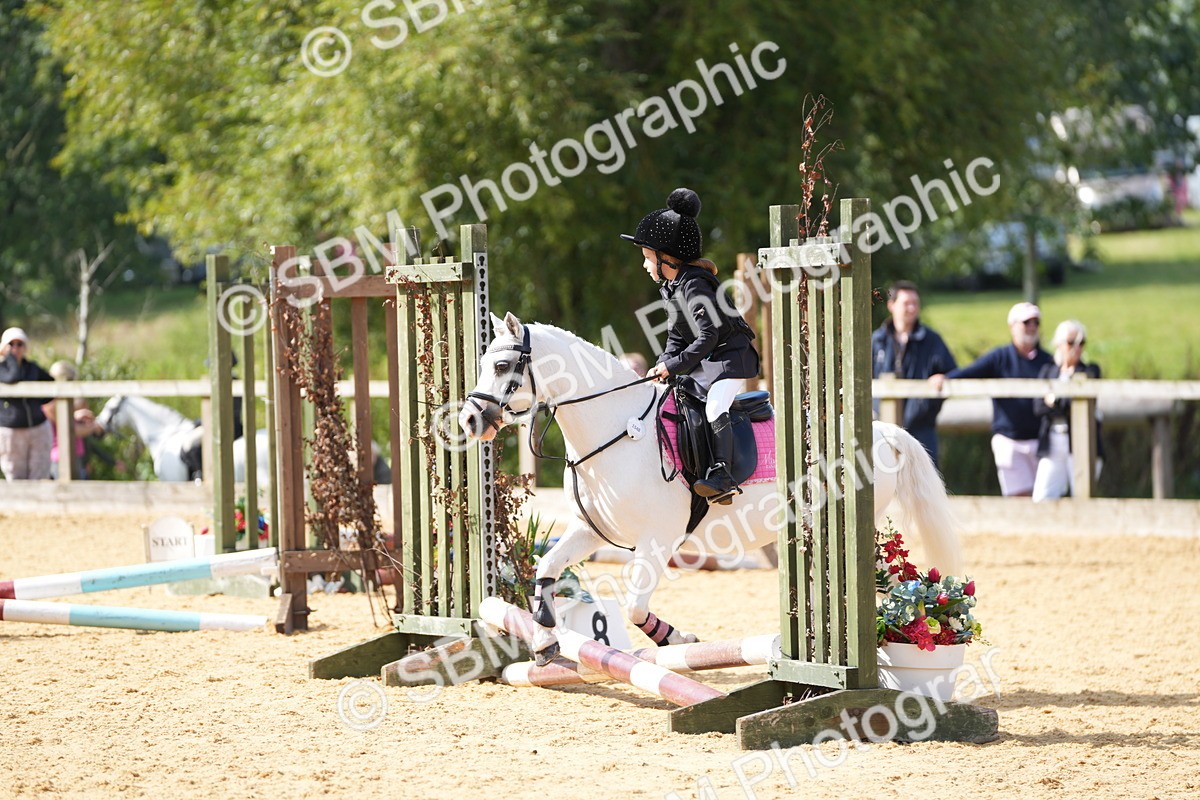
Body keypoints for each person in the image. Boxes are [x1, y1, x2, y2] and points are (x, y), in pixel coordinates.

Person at [621, 187, 760, 505]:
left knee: (714, 406)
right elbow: (676, 337)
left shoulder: (695, 285)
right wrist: (662, 364)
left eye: (646, 258)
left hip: (732, 358)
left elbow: (708, 336)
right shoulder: (672, 287)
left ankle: (723, 475)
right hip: (711, 358)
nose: (644, 266)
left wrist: (673, 365)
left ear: (664, 257)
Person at [929, 302, 1052, 496]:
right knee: (1018, 498)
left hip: (1041, 441)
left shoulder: (1047, 360)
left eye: (1036, 322)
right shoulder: (1000, 356)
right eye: (1026, 322)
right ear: (1013, 326)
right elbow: (971, 371)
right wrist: (946, 378)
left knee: (1045, 497)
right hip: (1009, 440)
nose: (1032, 327)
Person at [871, 280, 957, 466]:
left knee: (925, 488)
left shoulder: (931, 340)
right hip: (882, 430)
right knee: (884, 487)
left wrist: (942, 380)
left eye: (915, 303)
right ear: (891, 305)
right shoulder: (877, 340)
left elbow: (952, 372)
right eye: (906, 303)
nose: (911, 308)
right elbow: (861, 379)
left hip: (921, 429)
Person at [1032, 320, 1102, 501]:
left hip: (1080, 440)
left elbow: (1070, 406)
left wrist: (1053, 401)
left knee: (1083, 495)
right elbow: (1038, 407)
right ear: (1059, 344)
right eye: (1071, 342)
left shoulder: (1089, 370)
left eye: (1081, 343)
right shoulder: (1048, 371)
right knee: (1042, 496)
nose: (1076, 348)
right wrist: (1059, 404)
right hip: (1053, 440)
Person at [0, 327, 54, 480]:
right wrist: (9, 358)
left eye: (20, 344)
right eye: (12, 344)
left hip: (37, 427)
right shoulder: (1, 369)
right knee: (16, 478)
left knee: (39, 476)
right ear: (4, 346)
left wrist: (35, 402)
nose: (16, 348)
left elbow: (52, 385)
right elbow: (13, 376)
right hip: (11, 431)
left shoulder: (32, 368)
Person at [42, 360, 103, 479]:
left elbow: (63, 420)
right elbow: (71, 429)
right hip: (60, 458)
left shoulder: (60, 402)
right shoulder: (50, 404)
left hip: (74, 456)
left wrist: (76, 415)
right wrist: (96, 425)